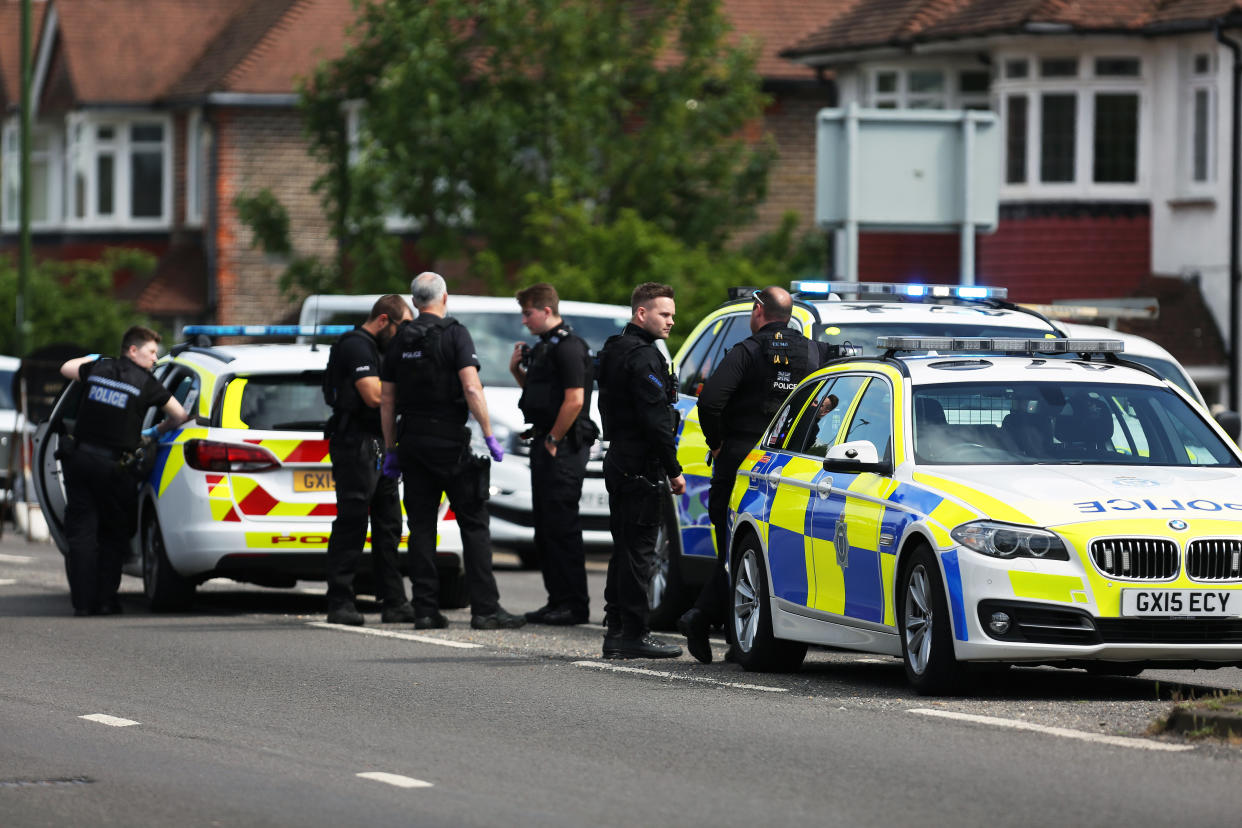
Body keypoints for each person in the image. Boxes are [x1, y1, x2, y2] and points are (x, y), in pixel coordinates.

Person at [678, 286, 819, 663]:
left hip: (740, 460)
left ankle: (700, 616)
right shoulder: (812, 353)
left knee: (733, 549)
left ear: (758, 311)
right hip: (787, 464)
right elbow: (823, 406)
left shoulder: (746, 351)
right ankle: (740, 640)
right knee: (758, 554)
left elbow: (709, 401)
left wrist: (717, 441)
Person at [380, 272, 526, 631]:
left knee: (422, 528)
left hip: (412, 442)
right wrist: (489, 435)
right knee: (474, 525)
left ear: (415, 302)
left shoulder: (400, 340)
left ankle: (426, 610)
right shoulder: (455, 333)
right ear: (444, 298)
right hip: (449, 442)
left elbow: (387, 399)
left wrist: (390, 449)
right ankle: (485, 610)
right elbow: (471, 387)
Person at [58, 326, 189, 616]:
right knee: (111, 535)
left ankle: (82, 603)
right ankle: (105, 601)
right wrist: (154, 431)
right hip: (113, 468)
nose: (156, 358)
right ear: (133, 350)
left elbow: (66, 367)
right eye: (152, 351)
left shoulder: (99, 368)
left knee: (81, 535)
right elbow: (180, 415)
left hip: (80, 460)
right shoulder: (147, 383)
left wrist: (95, 358)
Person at [596, 282, 685, 659]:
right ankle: (634, 633)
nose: (671, 322)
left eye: (673, 315)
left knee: (625, 549)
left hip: (619, 456)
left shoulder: (614, 348)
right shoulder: (645, 357)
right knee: (640, 553)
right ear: (641, 313)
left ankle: (616, 630)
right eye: (664, 314)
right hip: (640, 463)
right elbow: (655, 421)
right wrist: (674, 469)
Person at [323, 294, 415, 626]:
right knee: (352, 522)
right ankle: (340, 601)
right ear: (383, 320)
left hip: (382, 443)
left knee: (389, 525)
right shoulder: (356, 345)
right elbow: (374, 395)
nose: (406, 333)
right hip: (357, 444)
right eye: (402, 325)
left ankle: (394, 601)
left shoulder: (384, 349)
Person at [508, 283, 597, 626]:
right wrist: (518, 371)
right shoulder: (546, 347)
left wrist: (554, 438)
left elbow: (574, 400)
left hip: (564, 446)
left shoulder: (570, 347)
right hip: (547, 442)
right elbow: (541, 396)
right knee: (545, 527)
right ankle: (556, 600)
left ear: (546, 311)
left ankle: (574, 605)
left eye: (528, 313)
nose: (524, 321)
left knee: (562, 526)